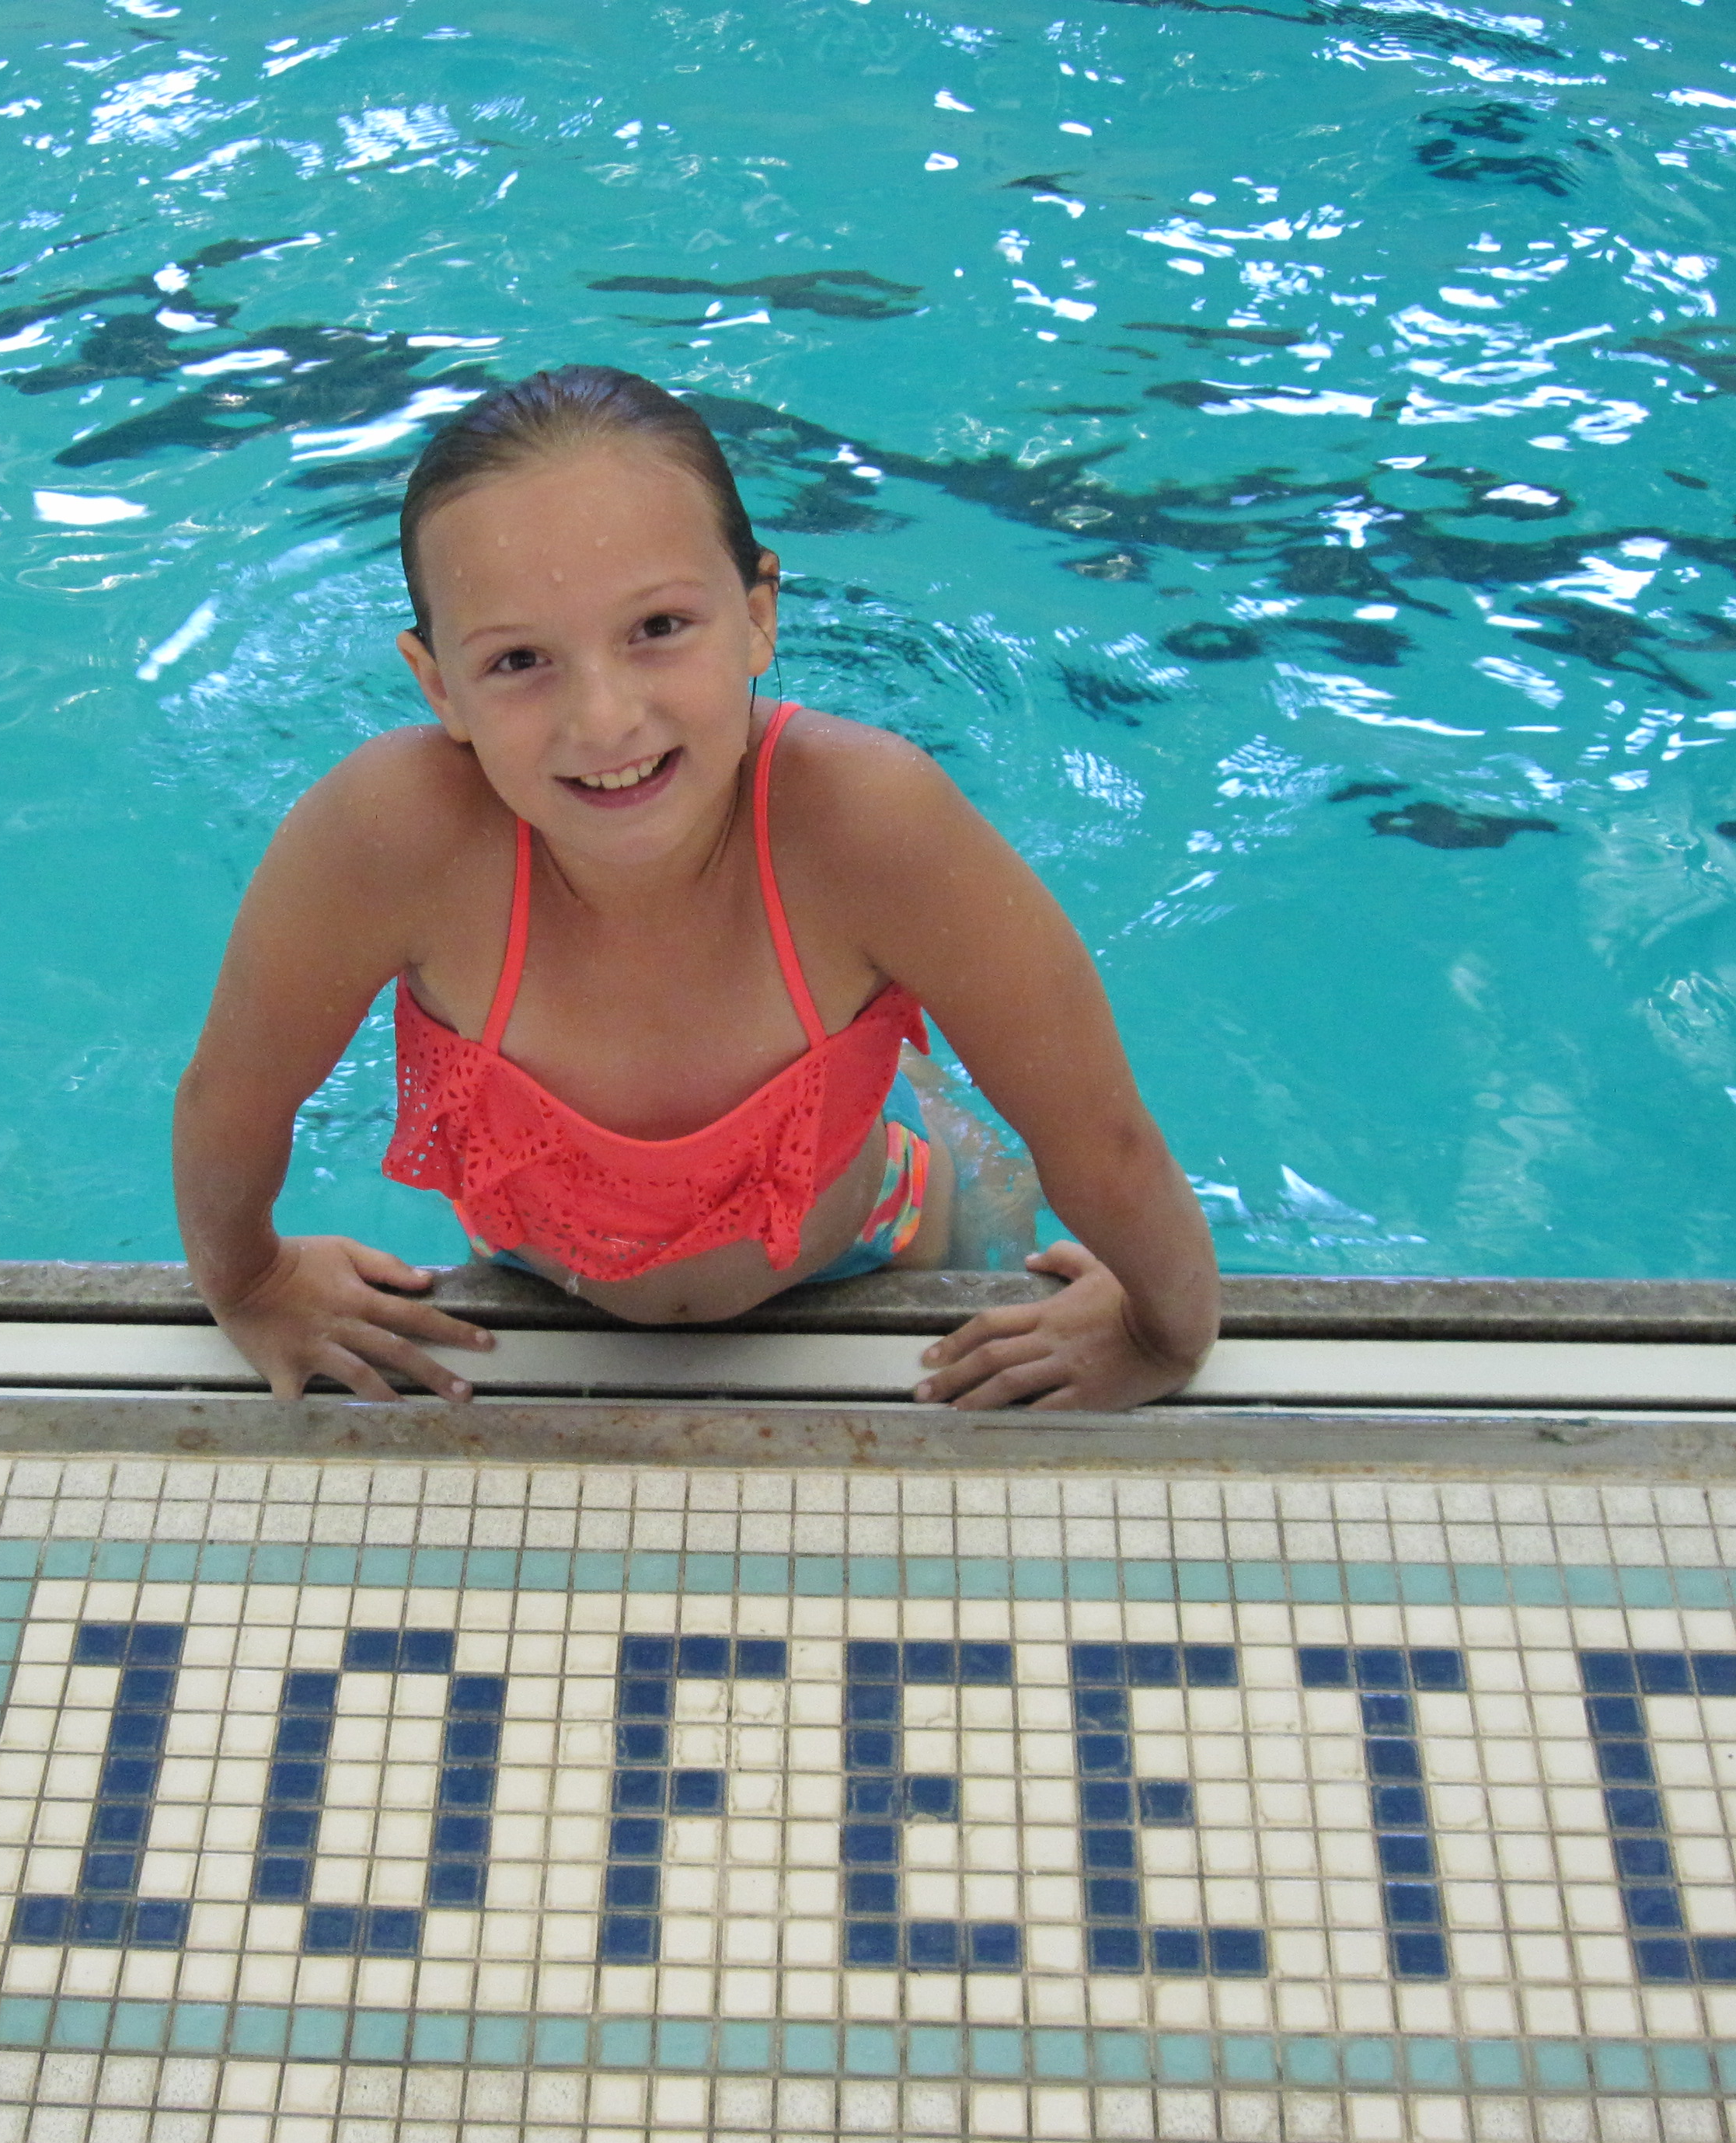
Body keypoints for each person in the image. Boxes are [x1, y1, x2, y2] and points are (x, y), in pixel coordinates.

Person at [173, 364, 1218, 1408]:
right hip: (538, 1268)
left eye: (659, 628)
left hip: (884, 1231)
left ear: (758, 616)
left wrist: (1159, 1333)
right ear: (439, 684)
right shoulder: (393, 838)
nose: (604, 719)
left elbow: (1104, 1142)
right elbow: (232, 1100)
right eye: (520, 660)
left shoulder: (869, 824)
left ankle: (906, 1083)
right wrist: (253, 1281)